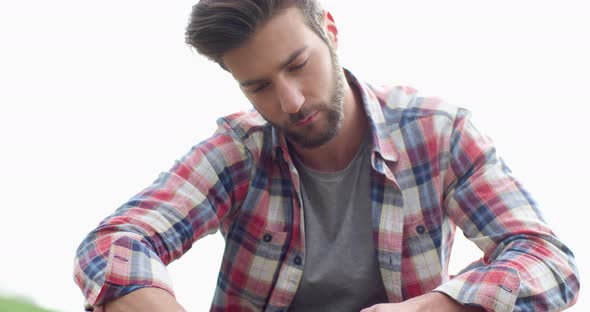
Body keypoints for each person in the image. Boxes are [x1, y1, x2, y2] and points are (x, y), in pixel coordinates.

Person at [73, 0, 580, 311]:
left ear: (330, 31)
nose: (290, 101)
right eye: (259, 86)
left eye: (298, 65)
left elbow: (549, 261)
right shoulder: (236, 153)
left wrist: (437, 306)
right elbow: (113, 242)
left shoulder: (439, 133)